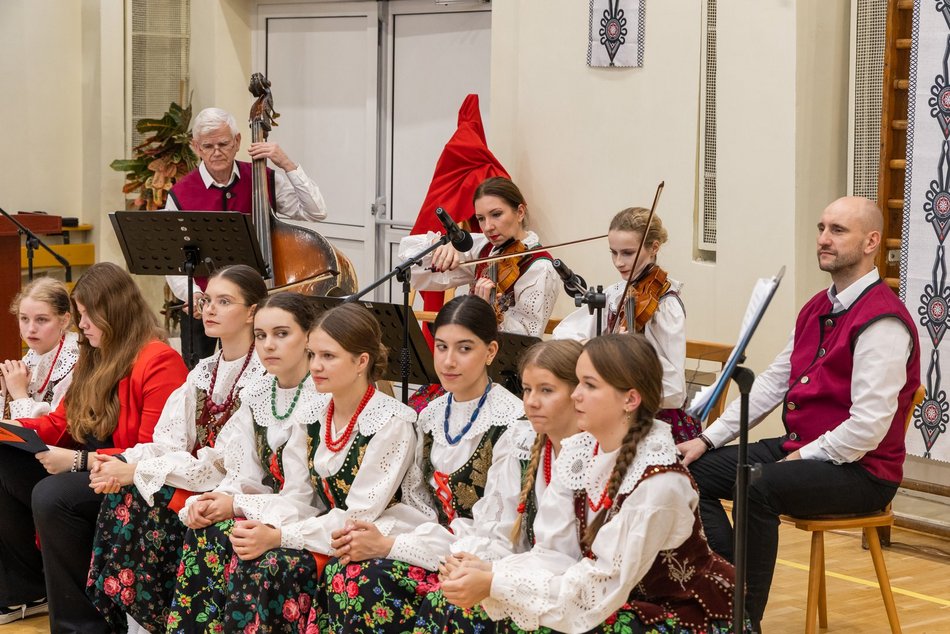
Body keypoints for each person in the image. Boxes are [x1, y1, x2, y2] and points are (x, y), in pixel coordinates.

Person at [677, 196, 920, 629]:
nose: (823, 239)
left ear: (872, 242)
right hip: (807, 451)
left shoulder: (882, 321)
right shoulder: (817, 306)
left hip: (863, 472)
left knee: (757, 486)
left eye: (838, 231)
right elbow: (772, 382)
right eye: (821, 228)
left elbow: (868, 427)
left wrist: (801, 458)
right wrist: (707, 438)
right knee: (691, 472)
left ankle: (743, 621)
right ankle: (728, 587)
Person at [440, 334, 738, 634]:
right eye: (578, 382)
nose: (575, 395)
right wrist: (491, 571)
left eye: (589, 385)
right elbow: (553, 554)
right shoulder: (581, 452)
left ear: (630, 399)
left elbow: (600, 587)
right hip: (612, 601)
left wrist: (496, 582)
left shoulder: (659, 482)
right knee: (464, 608)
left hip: (677, 615)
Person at [0, 262, 187, 631]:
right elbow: (59, 424)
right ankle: (26, 590)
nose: (82, 325)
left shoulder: (159, 359)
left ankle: (83, 625)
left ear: (112, 312)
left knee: (54, 495)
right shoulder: (94, 353)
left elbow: (154, 452)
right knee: (3, 459)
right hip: (91, 465)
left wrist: (78, 462)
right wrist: (9, 429)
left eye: (87, 316)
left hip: (132, 477)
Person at [322, 295, 524, 632]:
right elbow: (419, 506)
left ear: (490, 351)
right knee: (348, 569)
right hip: (432, 546)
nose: (448, 361)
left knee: (385, 583)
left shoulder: (511, 422)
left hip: (478, 558)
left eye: (464, 348)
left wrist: (394, 546)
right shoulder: (429, 415)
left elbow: (499, 529)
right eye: (441, 346)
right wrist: (386, 538)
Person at [222, 302, 427, 633]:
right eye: (313, 354)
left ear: (362, 361)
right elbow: (299, 495)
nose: (315, 366)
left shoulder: (391, 422)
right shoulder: (312, 412)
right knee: (245, 549)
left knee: (273, 562)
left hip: (372, 535)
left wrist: (279, 536)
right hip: (325, 528)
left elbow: (358, 516)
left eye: (328, 356)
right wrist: (260, 522)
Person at [85, 264, 268, 632]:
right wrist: (124, 462)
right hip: (196, 479)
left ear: (252, 312)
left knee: (139, 494)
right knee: (124, 491)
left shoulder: (264, 375)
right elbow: (166, 442)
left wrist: (135, 471)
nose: (209, 309)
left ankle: (153, 621)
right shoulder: (204, 371)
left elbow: (221, 465)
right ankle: (135, 622)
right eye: (207, 300)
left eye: (224, 301)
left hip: (240, 486)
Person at [166, 292, 321, 633]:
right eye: (262, 335)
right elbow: (242, 469)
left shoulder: (320, 397)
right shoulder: (259, 392)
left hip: (310, 518)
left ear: (309, 336)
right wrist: (216, 500)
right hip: (270, 506)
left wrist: (236, 505)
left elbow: (305, 498)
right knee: (207, 530)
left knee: (251, 549)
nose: (268, 345)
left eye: (282, 334)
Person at [165, 106, 330, 361]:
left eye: (224, 143)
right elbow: (173, 257)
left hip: (258, 303)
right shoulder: (181, 193)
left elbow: (316, 211)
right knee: (198, 378)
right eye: (208, 146)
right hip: (204, 306)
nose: (217, 152)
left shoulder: (262, 177)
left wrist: (286, 163)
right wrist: (193, 295)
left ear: (238, 141)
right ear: (196, 147)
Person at [553, 207, 700, 444]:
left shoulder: (665, 305)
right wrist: (592, 346)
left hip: (651, 421)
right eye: (613, 253)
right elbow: (563, 334)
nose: (619, 262)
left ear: (654, 247)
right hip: (611, 410)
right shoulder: (615, 293)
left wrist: (633, 352)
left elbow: (675, 390)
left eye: (628, 253)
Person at [398, 177, 559, 338]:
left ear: (520, 212)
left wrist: (488, 312)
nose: (488, 227)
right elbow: (413, 268)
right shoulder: (484, 246)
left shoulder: (540, 268)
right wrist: (439, 245)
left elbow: (525, 340)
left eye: (496, 214)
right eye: (481, 218)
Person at [1, 277, 79, 420]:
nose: (31, 329)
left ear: (64, 320)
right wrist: (8, 394)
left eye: (41, 319)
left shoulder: (74, 362)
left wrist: (18, 393)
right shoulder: (35, 354)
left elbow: (52, 430)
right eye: (24, 318)